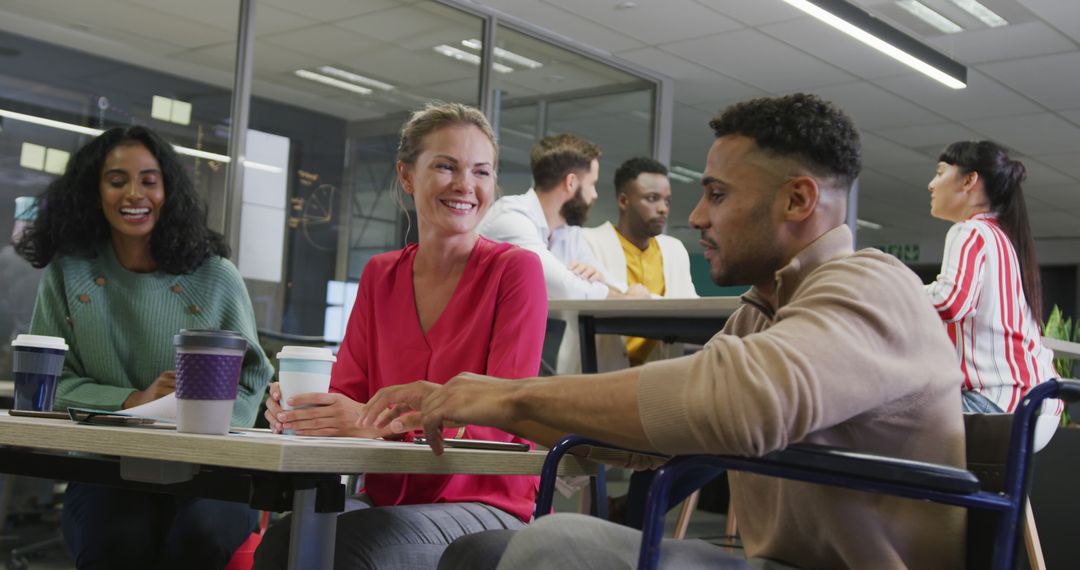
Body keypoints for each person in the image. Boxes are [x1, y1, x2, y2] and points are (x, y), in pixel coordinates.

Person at [359, 93, 968, 570]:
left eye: (716, 195)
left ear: (797, 200)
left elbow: (742, 403)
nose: (697, 217)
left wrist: (506, 395)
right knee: (479, 555)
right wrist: (460, 400)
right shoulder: (763, 310)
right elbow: (650, 438)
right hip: (773, 561)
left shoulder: (871, 283)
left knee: (555, 547)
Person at [252, 102, 548, 570]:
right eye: (445, 166)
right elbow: (349, 396)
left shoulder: (515, 271)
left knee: (351, 550)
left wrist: (372, 423)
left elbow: (501, 421)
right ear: (407, 176)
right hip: (389, 499)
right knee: (282, 543)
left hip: (488, 505)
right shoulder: (381, 274)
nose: (465, 186)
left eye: (481, 171)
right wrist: (305, 410)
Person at [16, 125, 272, 570]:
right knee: (119, 542)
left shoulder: (215, 275)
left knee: (198, 536)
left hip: (209, 471)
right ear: (94, 192)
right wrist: (133, 402)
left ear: (167, 190)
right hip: (105, 468)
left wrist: (200, 420)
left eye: (149, 180)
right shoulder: (68, 273)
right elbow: (51, 383)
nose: (134, 193)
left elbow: (252, 377)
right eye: (117, 181)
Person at [925, 140, 1062, 446]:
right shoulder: (1007, 239)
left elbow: (950, 302)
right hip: (1039, 402)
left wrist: (890, 292)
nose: (931, 184)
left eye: (939, 172)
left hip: (1000, 403)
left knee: (875, 418)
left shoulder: (969, 231)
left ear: (969, 180)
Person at [477, 133, 649, 300]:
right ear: (571, 182)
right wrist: (625, 298)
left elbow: (610, 283)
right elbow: (567, 288)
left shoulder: (566, 232)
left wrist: (608, 285)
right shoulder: (511, 217)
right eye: (592, 184)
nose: (594, 194)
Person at [582, 156, 698, 371]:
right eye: (652, 198)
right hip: (598, 375)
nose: (663, 208)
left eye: (667, 201)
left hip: (658, 380)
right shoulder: (588, 243)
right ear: (624, 201)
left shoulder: (675, 250)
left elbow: (691, 310)